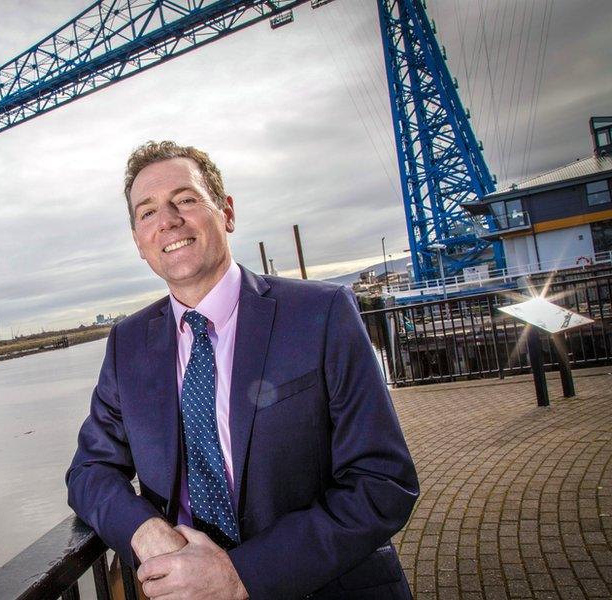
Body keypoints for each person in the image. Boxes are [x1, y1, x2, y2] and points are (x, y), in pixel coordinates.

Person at [66, 141, 419, 599]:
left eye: (186, 199)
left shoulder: (323, 313)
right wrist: (144, 531)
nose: (168, 220)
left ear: (226, 212)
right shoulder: (127, 344)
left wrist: (241, 575)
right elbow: (89, 469)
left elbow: (383, 482)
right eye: (146, 212)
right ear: (138, 241)